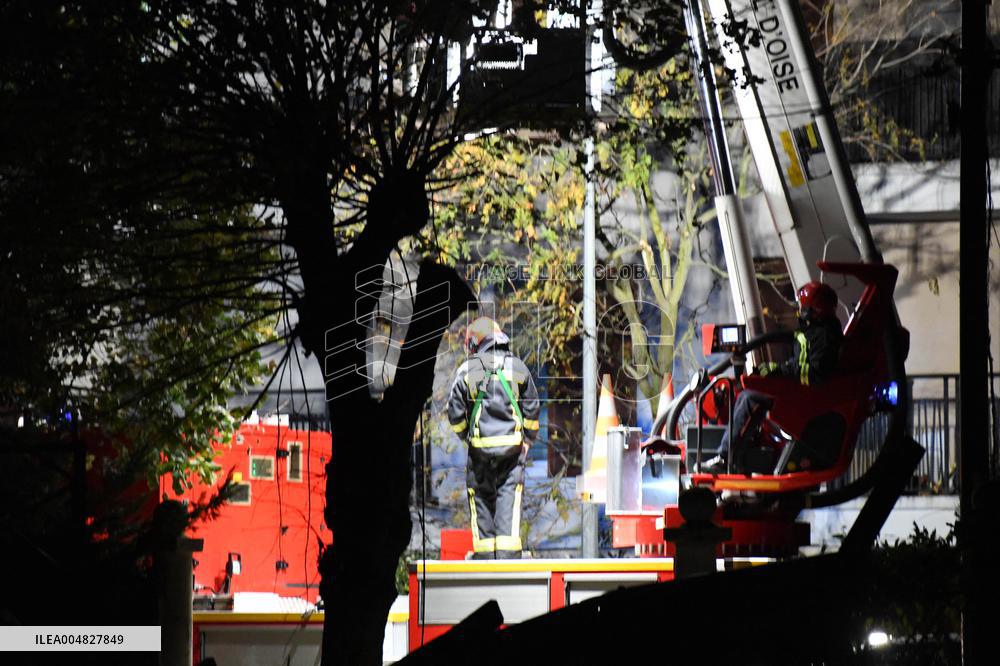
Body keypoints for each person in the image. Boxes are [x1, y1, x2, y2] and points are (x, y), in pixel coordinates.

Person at [701, 281, 843, 474]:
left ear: (816, 310)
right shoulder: (814, 332)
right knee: (746, 394)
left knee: (751, 398)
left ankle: (726, 459)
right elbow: (799, 365)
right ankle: (736, 457)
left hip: (806, 397)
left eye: (804, 307)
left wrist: (778, 373)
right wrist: (775, 371)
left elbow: (813, 374)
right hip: (800, 391)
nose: (800, 311)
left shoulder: (824, 336)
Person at [448, 316, 540, 558]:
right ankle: (508, 559)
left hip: (480, 453)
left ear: (474, 343)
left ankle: (485, 558)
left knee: (481, 499)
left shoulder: (467, 371)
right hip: (512, 451)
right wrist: (528, 440)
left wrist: (467, 437)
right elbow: (532, 408)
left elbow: (454, 414)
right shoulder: (518, 367)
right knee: (509, 499)